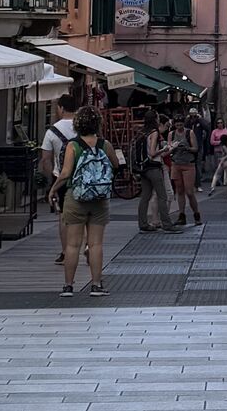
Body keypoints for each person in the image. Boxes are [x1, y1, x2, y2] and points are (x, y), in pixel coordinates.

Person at [47, 106, 122, 297]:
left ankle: (68, 286)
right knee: (95, 244)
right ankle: (96, 285)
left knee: (72, 245)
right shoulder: (105, 145)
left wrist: (53, 189)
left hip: (76, 197)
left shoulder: (73, 145)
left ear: (77, 124)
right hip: (99, 199)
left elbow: (65, 173)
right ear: (98, 124)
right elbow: (116, 164)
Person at [39, 93, 84, 265]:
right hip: (84, 177)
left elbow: (45, 159)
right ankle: (87, 245)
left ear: (61, 108)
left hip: (62, 179)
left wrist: (52, 178)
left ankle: (66, 252)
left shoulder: (52, 131)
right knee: (85, 213)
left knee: (64, 216)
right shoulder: (83, 127)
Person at [131, 116, 176, 233]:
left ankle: (143, 224)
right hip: (154, 167)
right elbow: (152, 153)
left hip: (143, 168)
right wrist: (164, 149)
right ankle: (167, 224)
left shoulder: (142, 132)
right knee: (162, 196)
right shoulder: (154, 132)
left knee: (145, 197)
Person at [169, 112, 204, 227]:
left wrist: (187, 148)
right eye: (177, 125)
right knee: (179, 191)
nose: (179, 127)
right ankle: (181, 215)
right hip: (176, 164)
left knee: (189, 192)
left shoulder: (190, 133)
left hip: (188, 165)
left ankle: (196, 214)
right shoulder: (171, 134)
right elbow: (169, 148)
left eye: (181, 125)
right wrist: (173, 148)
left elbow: (195, 148)